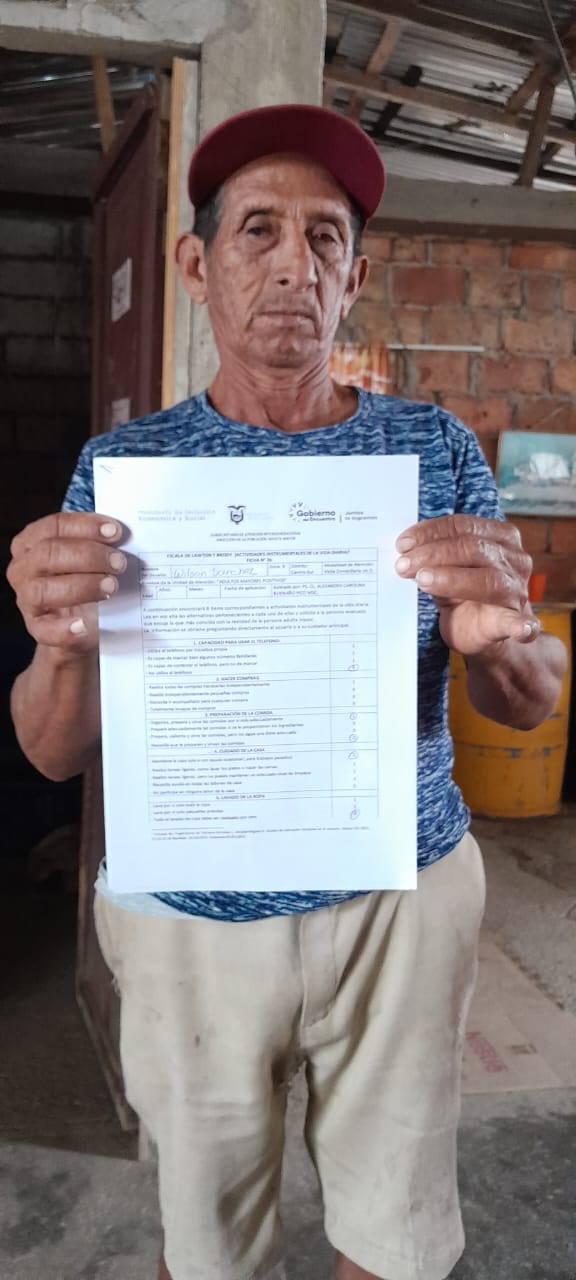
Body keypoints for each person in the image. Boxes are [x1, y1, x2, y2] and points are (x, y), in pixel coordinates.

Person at [7, 105, 566, 1280]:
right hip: (189, 922)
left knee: (396, 1234)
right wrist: (59, 650)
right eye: (258, 228)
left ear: (353, 278)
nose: (292, 265)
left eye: (324, 239)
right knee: (207, 1242)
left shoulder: (433, 448)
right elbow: (53, 752)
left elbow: (530, 700)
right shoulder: (128, 471)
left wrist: (500, 641)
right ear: (196, 264)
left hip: (398, 903)